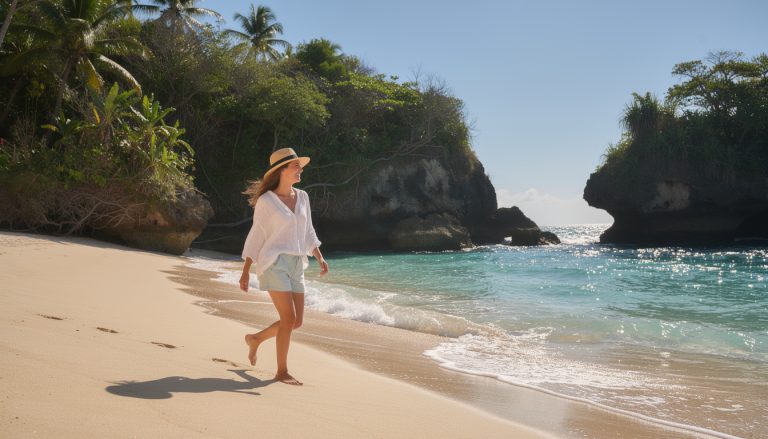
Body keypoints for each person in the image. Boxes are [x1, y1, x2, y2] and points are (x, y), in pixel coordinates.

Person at [239, 147, 329, 386]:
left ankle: (256, 339)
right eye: (295, 166)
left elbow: (308, 230)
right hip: (274, 262)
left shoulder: (303, 197)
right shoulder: (266, 201)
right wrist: (246, 269)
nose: (300, 169)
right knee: (287, 318)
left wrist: (319, 256)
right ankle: (281, 371)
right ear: (282, 170)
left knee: (296, 322)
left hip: (297, 263)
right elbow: (257, 234)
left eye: (300, 166)